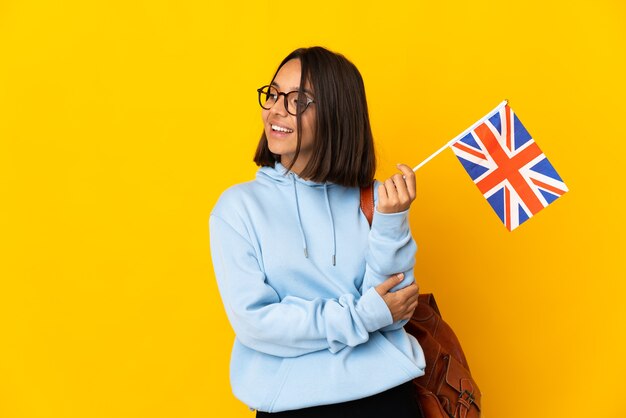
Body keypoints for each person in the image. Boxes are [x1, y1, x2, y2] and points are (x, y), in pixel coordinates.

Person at [209, 46, 426, 417]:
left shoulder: (374, 200)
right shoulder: (238, 208)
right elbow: (257, 323)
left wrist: (392, 221)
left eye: (299, 100)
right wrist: (364, 316)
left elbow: (398, 308)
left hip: (386, 398)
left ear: (337, 114)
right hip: (291, 404)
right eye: (274, 94)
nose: (277, 109)